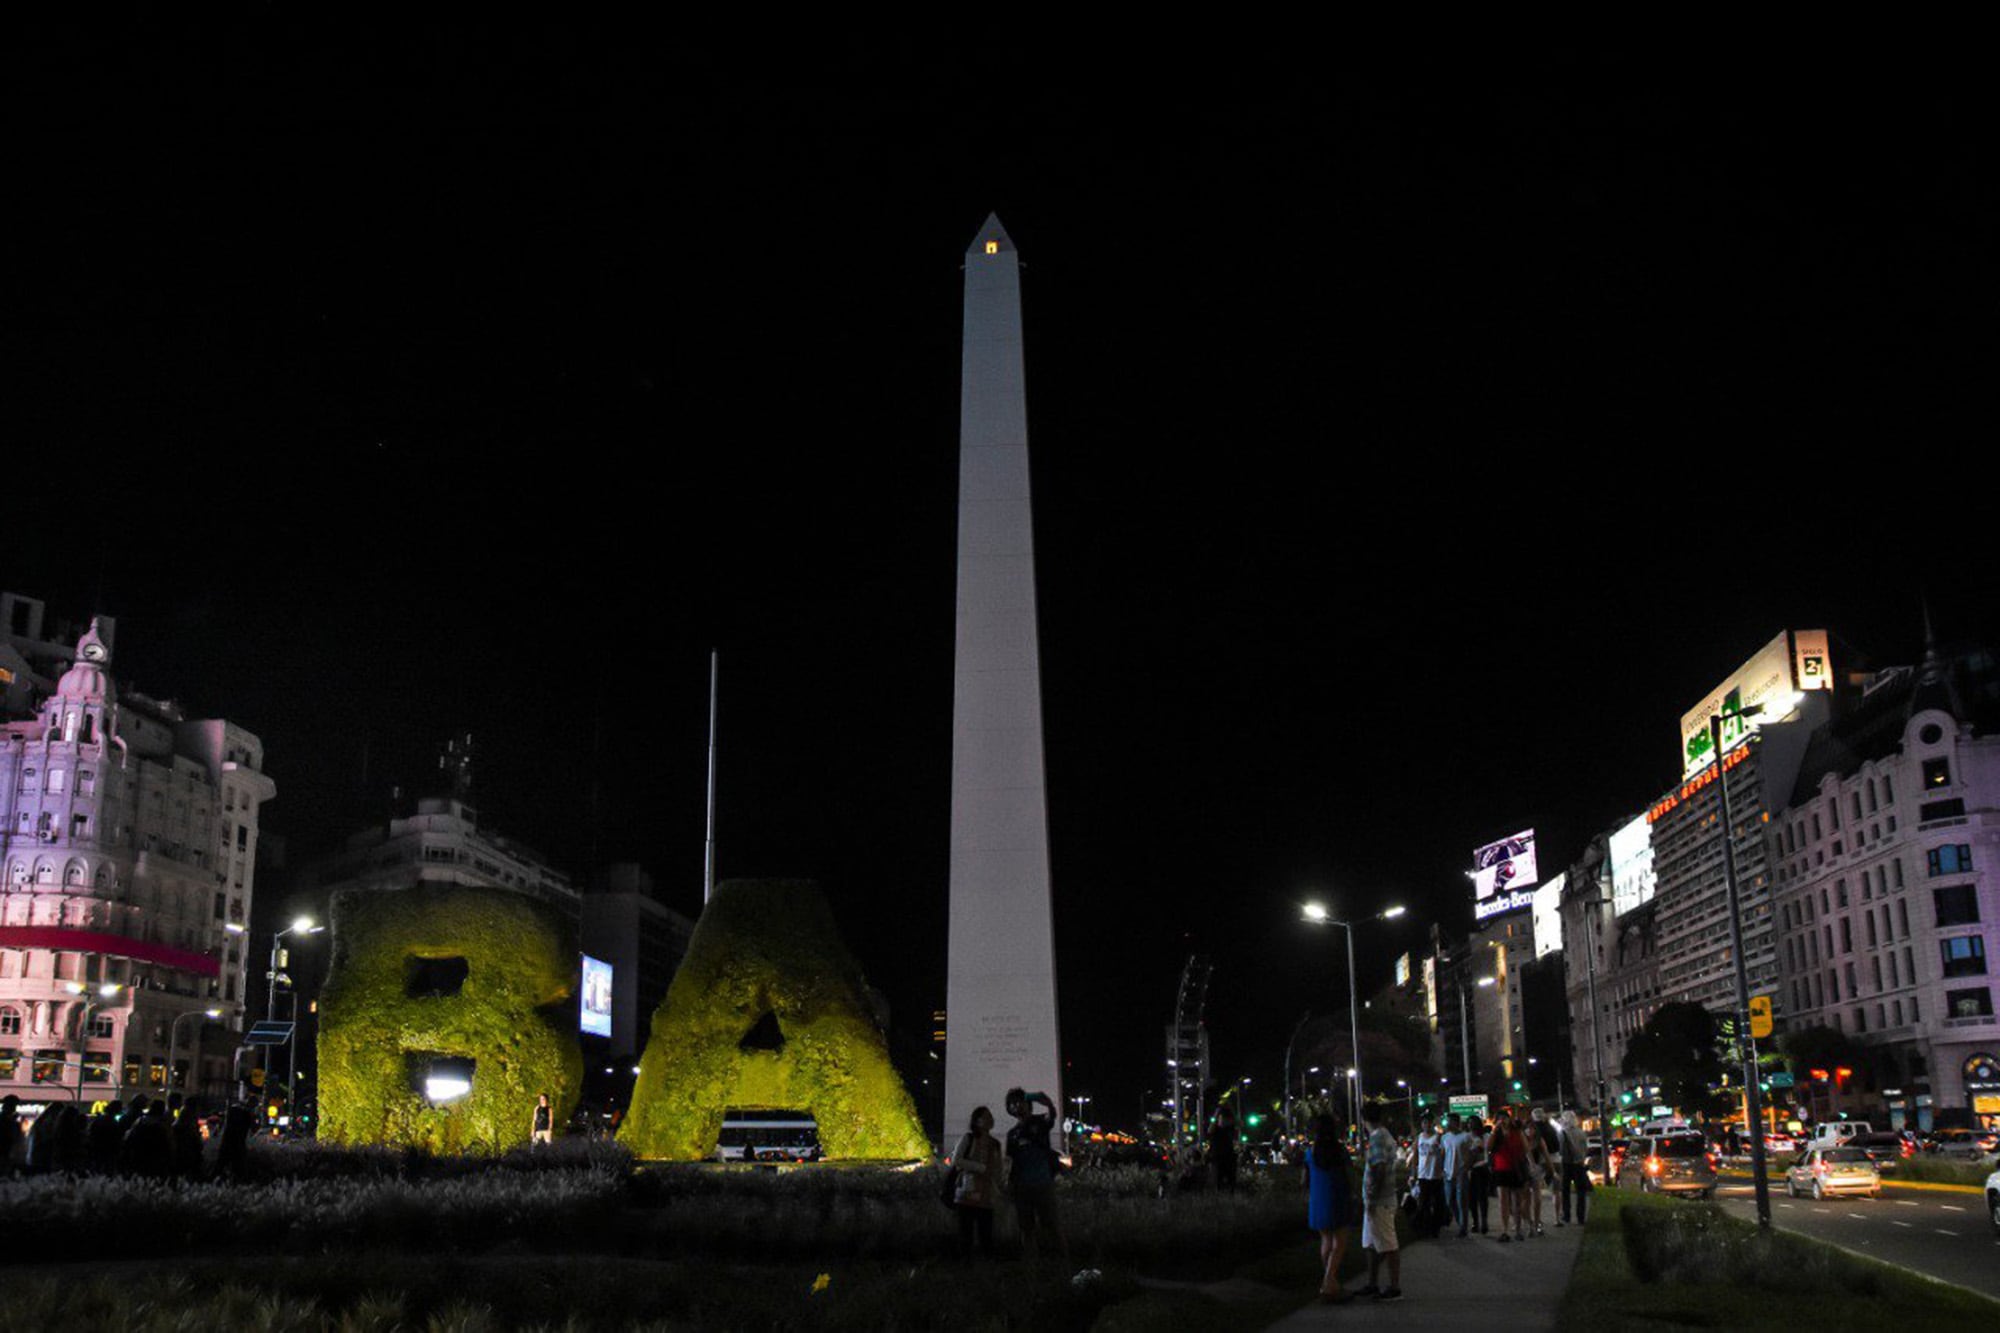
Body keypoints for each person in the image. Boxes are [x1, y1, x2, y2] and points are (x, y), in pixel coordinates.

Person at [1004, 1088, 1070, 1269]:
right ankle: (1032, 1266)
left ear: (1028, 1104)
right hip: (1022, 1187)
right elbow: (1012, 1162)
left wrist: (1040, 1099)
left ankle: (1063, 1264)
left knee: (1052, 1225)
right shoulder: (1012, 1134)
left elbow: (1052, 1113)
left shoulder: (1040, 1122)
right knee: (1026, 1228)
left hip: (1043, 1183)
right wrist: (1010, 1184)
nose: (1017, 1105)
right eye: (1013, 1103)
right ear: (1009, 1108)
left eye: (1020, 1101)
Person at [1353, 1104, 1403, 1302]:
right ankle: (1372, 1283)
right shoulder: (1385, 1134)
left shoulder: (1377, 1138)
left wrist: (1372, 1197)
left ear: (1364, 1118)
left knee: (1388, 1244)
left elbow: (1379, 1168)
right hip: (1381, 1199)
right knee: (1371, 1244)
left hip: (1380, 1201)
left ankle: (1394, 1287)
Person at [1305, 1114, 1353, 1303]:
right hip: (1337, 1196)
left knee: (1326, 1240)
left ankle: (1332, 1283)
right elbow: (1349, 1173)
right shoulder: (1339, 1150)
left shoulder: (1311, 1151)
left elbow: (1305, 1177)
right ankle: (1328, 1283)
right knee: (1339, 1243)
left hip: (1318, 1198)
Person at [950, 1105, 1004, 1258]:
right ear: (976, 1121)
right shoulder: (968, 1138)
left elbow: (998, 1168)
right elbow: (956, 1160)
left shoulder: (996, 1144)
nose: (989, 1119)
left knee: (986, 1235)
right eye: (985, 1117)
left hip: (986, 1195)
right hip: (966, 1194)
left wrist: (998, 1184)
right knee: (965, 1236)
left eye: (990, 1116)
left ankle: (984, 1270)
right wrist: (981, 1168)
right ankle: (967, 1270)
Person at [1489, 1110, 1530, 1242]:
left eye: (1505, 1118)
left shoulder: (1517, 1131)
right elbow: (1488, 1147)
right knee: (1503, 1201)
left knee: (1516, 1201)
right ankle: (1505, 1230)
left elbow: (1526, 1148)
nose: (1503, 1121)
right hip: (1501, 1169)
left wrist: (1527, 1162)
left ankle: (1518, 1229)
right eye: (1500, 1119)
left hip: (1516, 1168)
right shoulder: (1496, 1134)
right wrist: (1495, 1131)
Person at [1439, 1114, 1473, 1238]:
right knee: (1449, 1201)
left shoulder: (1465, 1137)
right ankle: (1460, 1223)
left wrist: (1466, 1167)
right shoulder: (1445, 1138)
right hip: (1448, 1174)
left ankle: (1463, 1228)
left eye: (1449, 1122)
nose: (1447, 1124)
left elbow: (1471, 1154)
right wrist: (1442, 1169)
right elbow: (1442, 1154)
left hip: (1461, 1173)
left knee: (1461, 1201)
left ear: (1456, 1122)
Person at [1412, 1116, 1445, 1239]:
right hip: (1423, 1175)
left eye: (1429, 1122)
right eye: (1424, 1122)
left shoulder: (1438, 1137)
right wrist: (1413, 1173)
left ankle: (1435, 1228)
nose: (1426, 1125)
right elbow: (1415, 1155)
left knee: (1437, 1203)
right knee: (1423, 1203)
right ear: (1421, 1124)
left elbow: (1443, 1153)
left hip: (1435, 1175)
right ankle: (1425, 1227)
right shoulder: (1419, 1138)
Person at [1527, 1107, 1559, 1236]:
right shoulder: (1551, 1128)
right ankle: (1556, 1218)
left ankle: (1534, 1222)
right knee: (1556, 1192)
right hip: (1553, 1160)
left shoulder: (1536, 1136)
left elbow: (1543, 1153)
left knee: (1533, 1195)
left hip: (1537, 1166)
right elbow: (1557, 1145)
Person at [1558, 1110, 1592, 1225]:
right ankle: (1581, 1217)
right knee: (1581, 1192)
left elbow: (1561, 1150)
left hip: (1566, 1165)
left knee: (1565, 1191)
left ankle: (1567, 1215)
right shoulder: (1581, 1133)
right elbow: (1585, 1149)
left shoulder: (1562, 1133)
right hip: (1579, 1165)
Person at [1209, 1107, 1239, 1192]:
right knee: (1218, 1179)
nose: (1222, 1121)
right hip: (1218, 1157)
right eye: (1220, 1119)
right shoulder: (1215, 1129)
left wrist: (1232, 1109)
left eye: (1224, 1119)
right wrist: (1216, 1113)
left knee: (1231, 1179)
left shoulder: (1229, 1129)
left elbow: (1239, 1123)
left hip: (1229, 1156)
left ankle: (1230, 1195)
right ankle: (1219, 1194)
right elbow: (1210, 1129)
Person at [0, 1095, 21, 1176]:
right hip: (5, 1152)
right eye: (14, 1105)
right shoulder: (5, 1119)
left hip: (7, 1152)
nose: (15, 1108)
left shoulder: (7, 1119)